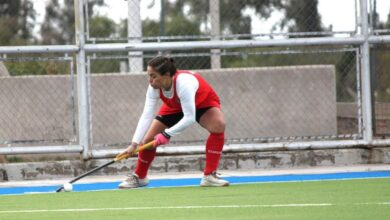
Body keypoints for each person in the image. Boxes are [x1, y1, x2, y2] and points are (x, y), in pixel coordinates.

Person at [118, 56, 229, 189]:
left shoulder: (184, 83)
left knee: (218, 125)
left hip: (202, 102)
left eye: (153, 76)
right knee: (148, 140)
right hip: (174, 106)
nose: (150, 80)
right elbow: (147, 115)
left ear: (166, 75)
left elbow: (189, 117)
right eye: (148, 75)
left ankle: (209, 176)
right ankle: (140, 177)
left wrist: (166, 134)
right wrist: (133, 144)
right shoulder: (154, 86)